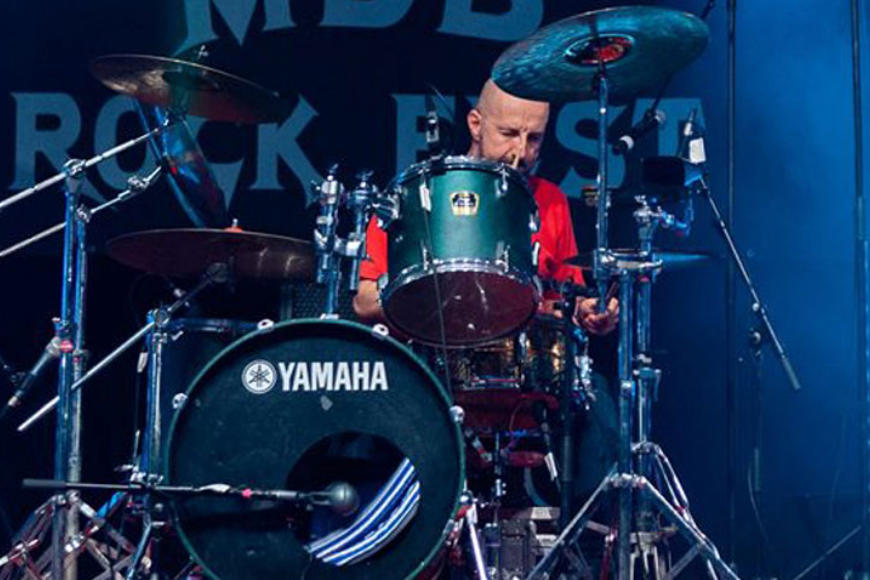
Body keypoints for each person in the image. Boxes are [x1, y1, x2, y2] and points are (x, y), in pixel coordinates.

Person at [353, 79, 618, 336]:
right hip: (430, 354)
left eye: (534, 138)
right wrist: (444, 295)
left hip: (520, 359)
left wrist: (584, 311)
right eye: (509, 133)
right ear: (476, 125)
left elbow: (564, 298)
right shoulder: (416, 191)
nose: (521, 152)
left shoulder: (551, 200)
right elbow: (364, 303)